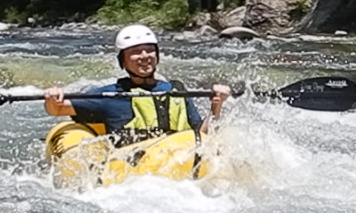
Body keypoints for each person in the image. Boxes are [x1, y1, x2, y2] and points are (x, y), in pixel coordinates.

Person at [44, 24, 231, 144]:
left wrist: (217, 105)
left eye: (149, 50)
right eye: (135, 52)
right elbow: (57, 109)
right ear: (123, 60)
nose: (144, 56)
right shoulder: (110, 96)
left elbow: (203, 134)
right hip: (134, 166)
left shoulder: (176, 91)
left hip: (181, 159)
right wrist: (52, 98)